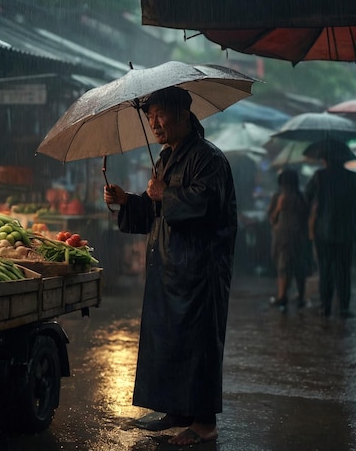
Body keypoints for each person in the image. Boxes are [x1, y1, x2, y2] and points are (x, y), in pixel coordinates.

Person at [103, 86, 237, 446]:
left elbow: (207, 206)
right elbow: (154, 211)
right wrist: (127, 200)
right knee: (170, 341)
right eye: (149, 117)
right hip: (168, 267)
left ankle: (205, 422)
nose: (154, 123)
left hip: (199, 271)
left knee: (198, 343)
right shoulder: (165, 159)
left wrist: (167, 194)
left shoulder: (209, 159)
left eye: (160, 114)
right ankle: (177, 409)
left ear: (182, 114)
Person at [305, 154, 356, 317]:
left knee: (325, 269)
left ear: (326, 159)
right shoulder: (353, 177)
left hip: (324, 230)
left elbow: (307, 196)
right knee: (343, 270)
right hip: (346, 230)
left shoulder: (319, 176)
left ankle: (325, 305)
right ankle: (343, 306)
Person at [267, 169, 313, 312]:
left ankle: (292, 296)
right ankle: (284, 296)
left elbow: (305, 216)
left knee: (295, 267)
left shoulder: (300, 198)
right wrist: (279, 208)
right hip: (285, 238)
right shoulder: (278, 197)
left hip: (294, 237)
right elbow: (272, 218)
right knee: (285, 266)